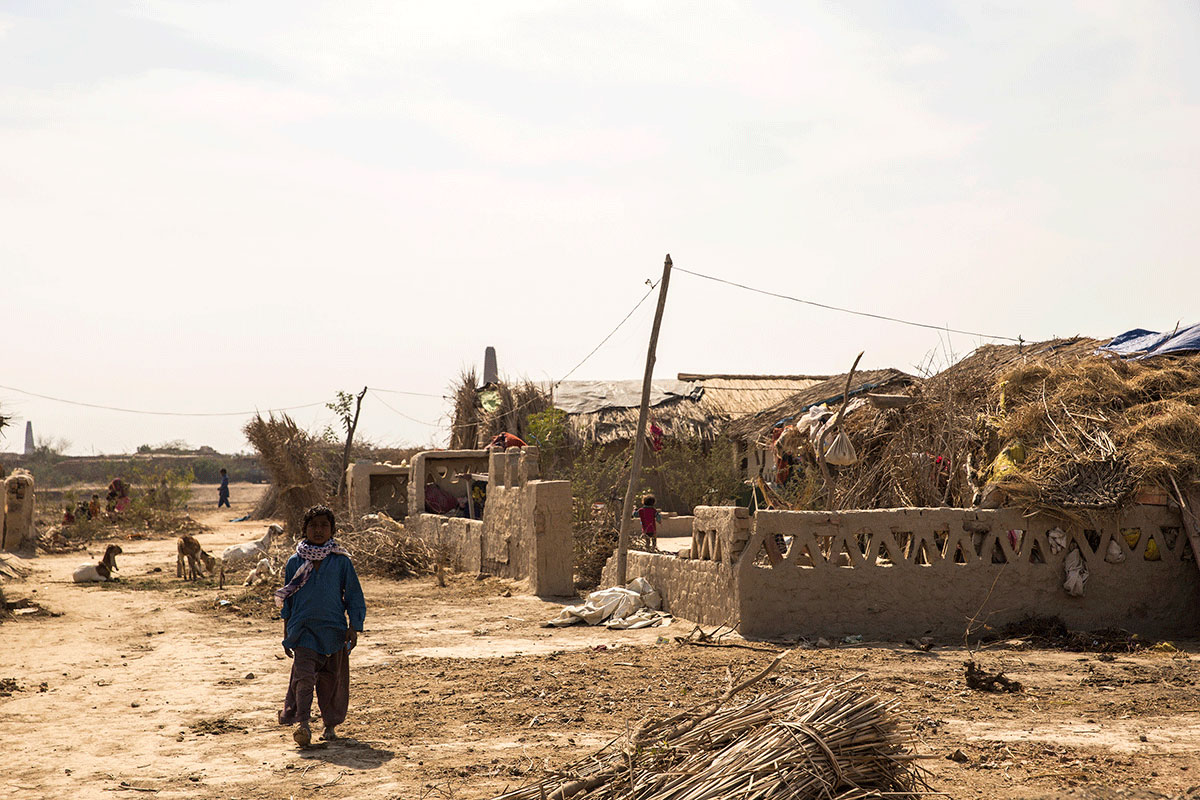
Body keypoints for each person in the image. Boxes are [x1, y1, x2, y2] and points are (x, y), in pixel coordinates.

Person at [276, 505, 366, 747]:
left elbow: (354, 596)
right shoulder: (295, 562)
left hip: (334, 631)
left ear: (333, 530)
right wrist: (287, 632)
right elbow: (289, 598)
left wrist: (354, 627)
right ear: (304, 529)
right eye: (313, 525)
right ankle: (303, 724)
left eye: (324, 525)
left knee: (332, 681)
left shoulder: (341, 562)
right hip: (304, 631)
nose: (318, 530)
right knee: (304, 678)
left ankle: (330, 725)